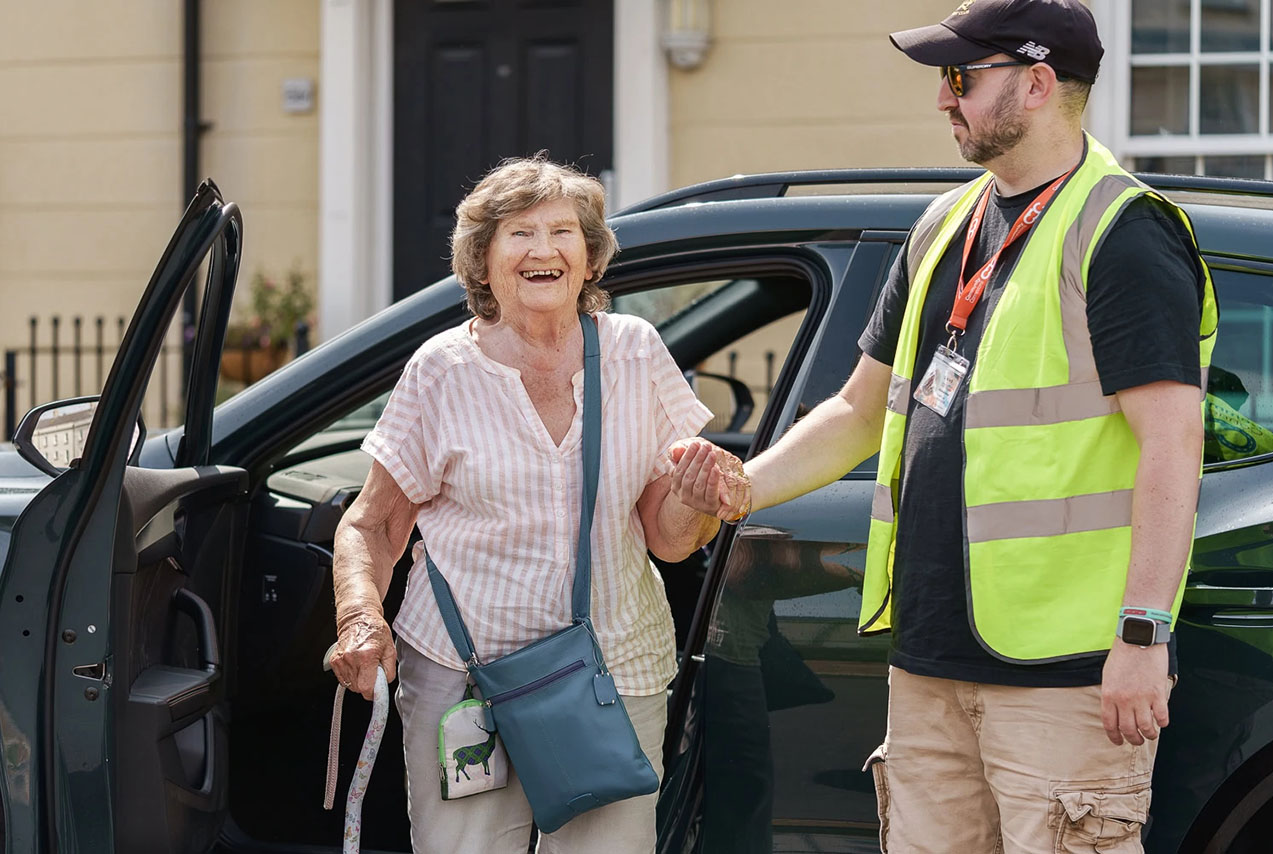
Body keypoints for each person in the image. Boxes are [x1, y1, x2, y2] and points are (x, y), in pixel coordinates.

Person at [725, 1, 1219, 851]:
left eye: (961, 77)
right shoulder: (942, 224)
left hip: (1061, 674)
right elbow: (853, 412)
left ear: (1035, 85)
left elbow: (1172, 443)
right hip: (929, 665)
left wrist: (1143, 634)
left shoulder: (1123, 233)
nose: (943, 99)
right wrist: (735, 489)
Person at [327, 155, 748, 853]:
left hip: (612, 672)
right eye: (520, 233)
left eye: (563, 232)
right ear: (483, 264)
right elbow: (372, 524)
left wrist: (696, 500)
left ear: (589, 260)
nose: (544, 249)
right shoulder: (442, 370)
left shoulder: (634, 352)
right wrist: (359, 617)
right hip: (463, 681)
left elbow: (668, 539)